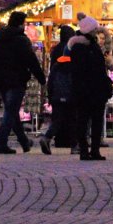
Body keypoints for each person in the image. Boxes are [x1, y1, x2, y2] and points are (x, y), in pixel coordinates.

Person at [0, 13, 44, 155]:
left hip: (1, 81)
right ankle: (1, 143)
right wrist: (41, 78)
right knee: (10, 112)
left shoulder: (0, 38)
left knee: (12, 112)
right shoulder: (22, 41)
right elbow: (31, 60)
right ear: (20, 24)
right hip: (16, 80)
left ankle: (24, 142)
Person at [68, 17, 112, 161]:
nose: (97, 31)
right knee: (88, 120)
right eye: (95, 29)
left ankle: (90, 150)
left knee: (87, 120)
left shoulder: (88, 46)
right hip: (89, 90)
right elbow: (89, 70)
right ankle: (88, 150)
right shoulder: (83, 47)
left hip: (90, 90)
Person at [41, 25, 75, 155]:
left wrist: (50, 95)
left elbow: (51, 78)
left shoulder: (56, 57)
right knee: (73, 118)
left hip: (57, 92)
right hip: (70, 92)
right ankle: (74, 145)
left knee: (58, 119)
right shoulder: (73, 58)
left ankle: (48, 137)